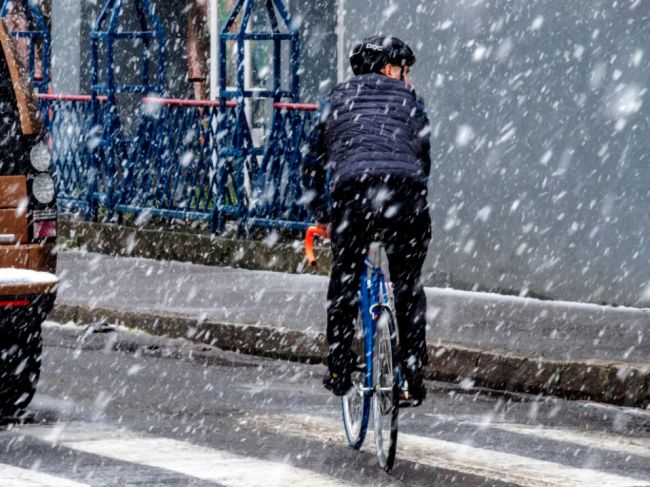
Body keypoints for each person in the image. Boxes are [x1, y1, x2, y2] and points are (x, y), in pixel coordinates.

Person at [301, 35, 432, 405]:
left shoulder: (336, 99)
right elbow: (423, 158)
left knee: (344, 277)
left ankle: (341, 363)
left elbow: (311, 163)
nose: (408, 79)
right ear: (389, 69)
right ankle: (410, 367)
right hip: (405, 194)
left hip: (353, 194)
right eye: (404, 71)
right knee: (407, 282)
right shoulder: (411, 101)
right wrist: (415, 198)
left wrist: (322, 216)